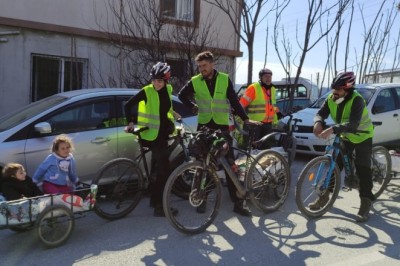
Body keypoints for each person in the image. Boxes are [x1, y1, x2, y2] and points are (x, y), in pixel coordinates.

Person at [178, 51, 261, 217]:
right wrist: (193, 106)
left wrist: (245, 119)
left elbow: (234, 101)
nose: (202, 69)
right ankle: (200, 199)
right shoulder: (196, 81)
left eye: (204, 65)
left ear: (212, 64)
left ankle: (238, 202)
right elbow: (181, 95)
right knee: (202, 164)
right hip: (204, 128)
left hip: (222, 128)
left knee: (230, 164)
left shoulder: (224, 79)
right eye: (200, 66)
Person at [312, 72, 375, 222]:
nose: (334, 92)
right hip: (345, 136)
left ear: (347, 90)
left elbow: (353, 125)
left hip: (362, 136)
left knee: (362, 168)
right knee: (335, 166)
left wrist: (332, 129)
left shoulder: (357, 100)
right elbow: (320, 113)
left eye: (338, 90)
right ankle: (324, 196)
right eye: (334, 89)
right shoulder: (331, 99)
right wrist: (318, 122)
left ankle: (366, 202)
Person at [124, 62, 178, 217]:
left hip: (163, 134)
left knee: (157, 170)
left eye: (159, 81)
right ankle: (160, 207)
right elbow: (127, 106)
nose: (156, 83)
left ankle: (154, 201)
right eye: (154, 80)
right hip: (152, 136)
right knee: (164, 172)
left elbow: (164, 108)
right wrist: (130, 121)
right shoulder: (146, 91)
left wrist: (175, 116)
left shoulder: (168, 89)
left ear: (166, 80)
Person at [239, 68, 280, 146]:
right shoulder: (254, 87)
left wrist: (277, 116)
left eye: (270, 76)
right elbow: (241, 104)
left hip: (268, 124)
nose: (268, 78)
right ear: (260, 78)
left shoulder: (273, 89)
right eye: (266, 76)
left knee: (265, 149)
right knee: (253, 149)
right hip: (255, 124)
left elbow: (272, 105)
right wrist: (243, 118)